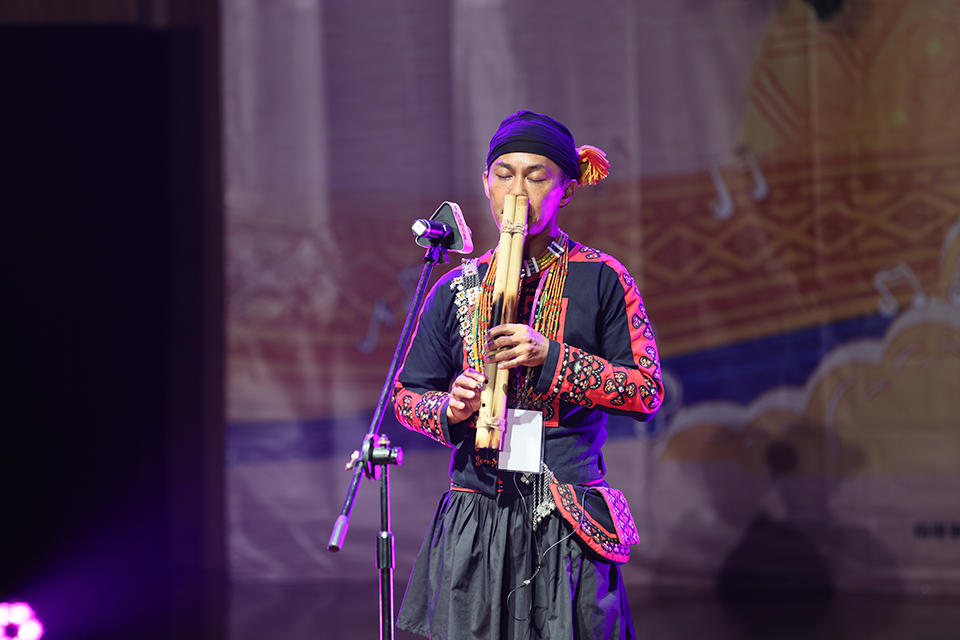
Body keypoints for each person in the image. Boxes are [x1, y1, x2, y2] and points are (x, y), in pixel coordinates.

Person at [392, 110, 664, 640]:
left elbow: (647, 391)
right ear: (486, 183)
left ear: (567, 189)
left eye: (537, 177)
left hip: (567, 516)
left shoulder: (602, 279)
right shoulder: (455, 286)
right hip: (476, 513)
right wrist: (450, 407)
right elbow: (406, 395)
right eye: (504, 174)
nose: (518, 191)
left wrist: (554, 358)